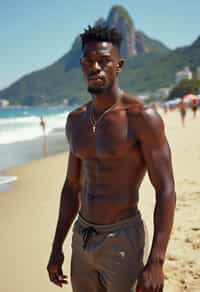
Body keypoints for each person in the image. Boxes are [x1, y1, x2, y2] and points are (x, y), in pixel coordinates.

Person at [47, 25, 176, 292]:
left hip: (122, 240)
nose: (95, 67)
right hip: (81, 237)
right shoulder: (76, 121)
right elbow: (72, 187)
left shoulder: (141, 118)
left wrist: (156, 261)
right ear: (81, 66)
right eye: (88, 61)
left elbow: (165, 188)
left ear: (119, 65)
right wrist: (56, 246)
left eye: (104, 60)